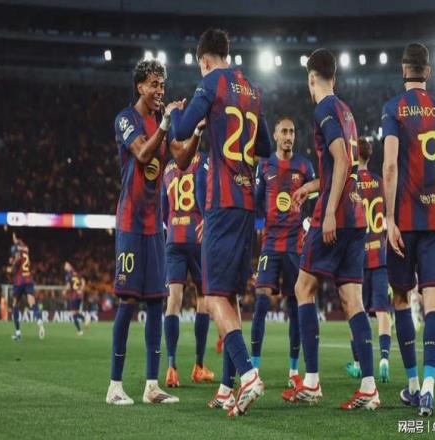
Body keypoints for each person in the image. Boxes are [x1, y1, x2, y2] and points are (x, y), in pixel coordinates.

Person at [169, 28, 272, 417]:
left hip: (221, 203)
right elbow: (264, 147)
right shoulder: (253, 90)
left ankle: (248, 375)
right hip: (247, 206)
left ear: (205, 60)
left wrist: (176, 113)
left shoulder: (211, 83)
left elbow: (180, 130)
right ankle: (229, 388)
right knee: (229, 297)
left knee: (211, 298)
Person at [282, 49, 380, 410]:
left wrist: (327, 213)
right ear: (334, 77)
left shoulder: (323, 108)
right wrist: (311, 187)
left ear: (312, 78)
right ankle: (369, 388)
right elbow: (343, 164)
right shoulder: (345, 110)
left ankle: (311, 382)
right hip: (357, 213)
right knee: (352, 300)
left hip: (336, 214)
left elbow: (340, 160)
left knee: (303, 288)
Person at [106, 58, 201, 405]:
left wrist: (197, 133)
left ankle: (151, 386)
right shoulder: (125, 119)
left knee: (156, 302)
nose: (160, 90)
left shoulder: (164, 122)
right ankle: (115, 386)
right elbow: (143, 155)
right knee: (128, 301)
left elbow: (182, 160)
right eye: (154, 85)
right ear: (140, 87)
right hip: (130, 223)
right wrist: (164, 123)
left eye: (162, 85)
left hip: (154, 227)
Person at [382, 43, 435, 417]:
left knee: (401, 299)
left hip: (404, 221)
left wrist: (389, 218)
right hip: (434, 223)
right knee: (433, 304)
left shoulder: (393, 109)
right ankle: (430, 388)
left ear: (404, 70)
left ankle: (413, 385)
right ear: (428, 72)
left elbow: (389, 167)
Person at [251, 116, 315, 391]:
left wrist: (309, 221)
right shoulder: (265, 166)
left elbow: (316, 197)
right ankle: (254, 370)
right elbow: (256, 204)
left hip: (294, 245)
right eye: (284, 132)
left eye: (292, 132)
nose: (289, 136)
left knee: (294, 305)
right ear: (275, 136)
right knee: (261, 301)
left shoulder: (305, 166)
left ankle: (293, 370)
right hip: (270, 243)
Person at [161, 149, 215, 387]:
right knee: (203, 299)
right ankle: (199, 366)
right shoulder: (202, 160)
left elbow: (163, 209)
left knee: (173, 300)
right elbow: (206, 192)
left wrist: (174, 223)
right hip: (197, 235)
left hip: (173, 236)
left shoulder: (168, 168)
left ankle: (171, 368)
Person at [345, 138, 392, 383]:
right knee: (383, 311)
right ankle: (384, 358)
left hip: (358, 258)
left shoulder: (351, 183)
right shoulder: (381, 182)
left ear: (355, 155)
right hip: (380, 255)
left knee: (356, 310)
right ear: (370, 156)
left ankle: (357, 364)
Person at [9, 232, 45, 341]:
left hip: (19, 281)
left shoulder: (17, 250)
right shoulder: (26, 249)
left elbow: (16, 260)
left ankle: (18, 333)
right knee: (32, 303)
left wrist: (12, 265)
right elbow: (20, 245)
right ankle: (39, 322)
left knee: (15, 305)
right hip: (29, 279)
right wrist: (16, 240)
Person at [64, 261, 89, 335]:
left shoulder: (68, 275)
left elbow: (68, 286)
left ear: (69, 266)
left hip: (74, 296)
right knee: (76, 313)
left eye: (66, 265)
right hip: (80, 295)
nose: (64, 267)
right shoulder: (77, 273)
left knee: (73, 313)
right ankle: (82, 327)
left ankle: (83, 323)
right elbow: (83, 281)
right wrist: (81, 289)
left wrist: (64, 291)